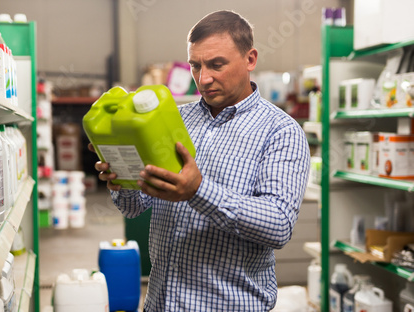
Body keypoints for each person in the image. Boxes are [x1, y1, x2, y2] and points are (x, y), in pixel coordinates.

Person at [90, 9, 310, 312]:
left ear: (250, 59)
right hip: (160, 303)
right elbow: (134, 207)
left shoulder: (281, 132)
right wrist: (121, 176)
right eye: (195, 66)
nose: (203, 79)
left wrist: (198, 191)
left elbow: (278, 224)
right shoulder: (175, 119)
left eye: (216, 64)